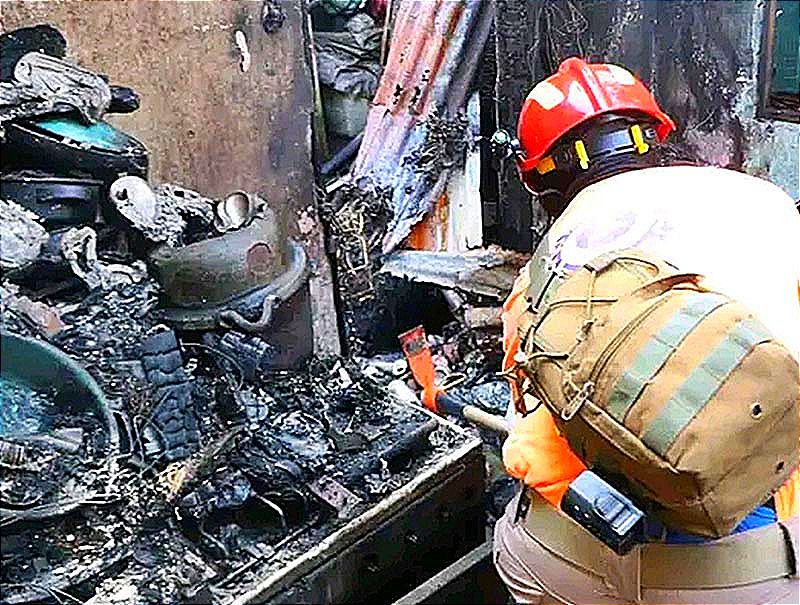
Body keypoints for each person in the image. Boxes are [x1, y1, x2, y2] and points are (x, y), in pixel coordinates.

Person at [493, 57, 800, 604]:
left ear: (543, 183)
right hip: (736, 575)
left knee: (515, 547)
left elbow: (527, 408)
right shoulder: (766, 208)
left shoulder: (539, 272)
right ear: (656, 139)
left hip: (567, 558)